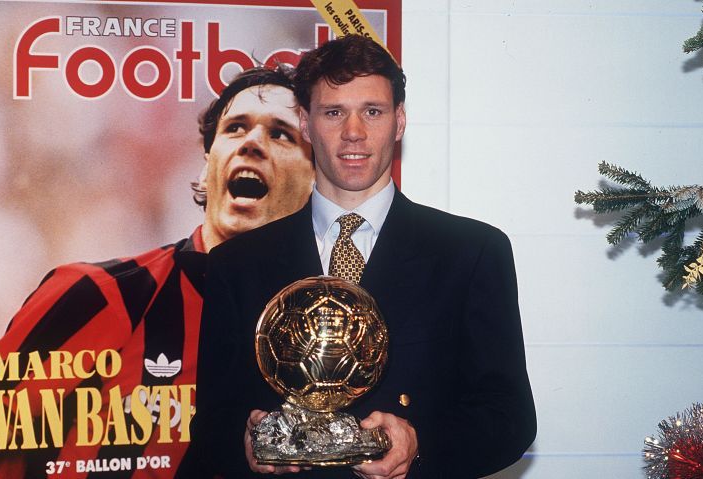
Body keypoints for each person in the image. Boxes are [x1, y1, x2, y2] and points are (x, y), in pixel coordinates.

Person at [192, 35, 536, 479]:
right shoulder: (236, 264)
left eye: (372, 112)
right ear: (305, 123)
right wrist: (244, 445)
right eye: (333, 112)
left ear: (399, 121)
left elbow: (510, 418)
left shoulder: (471, 252)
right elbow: (211, 431)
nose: (353, 132)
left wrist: (418, 443)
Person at [0, 66, 314, 479]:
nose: (251, 143)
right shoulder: (99, 295)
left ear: (317, 180)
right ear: (208, 164)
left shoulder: (332, 341)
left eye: (281, 134)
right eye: (234, 128)